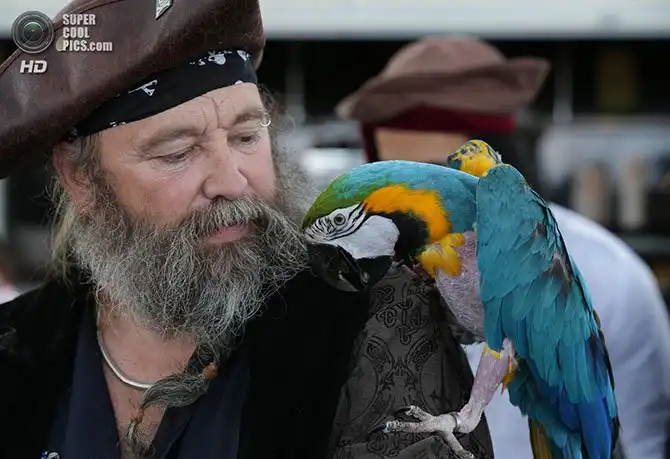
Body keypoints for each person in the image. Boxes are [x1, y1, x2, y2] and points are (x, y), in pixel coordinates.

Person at [0, 2, 495, 458]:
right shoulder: (18, 347)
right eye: (177, 153)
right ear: (82, 179)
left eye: (246, 136)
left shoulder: (372, 319)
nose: (232, 182)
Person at [336, 35, 670, 459]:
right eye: (392, 187)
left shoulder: (611, 276)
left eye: (431, 178)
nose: (410, 214)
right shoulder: (374, 274)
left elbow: (643, 442)